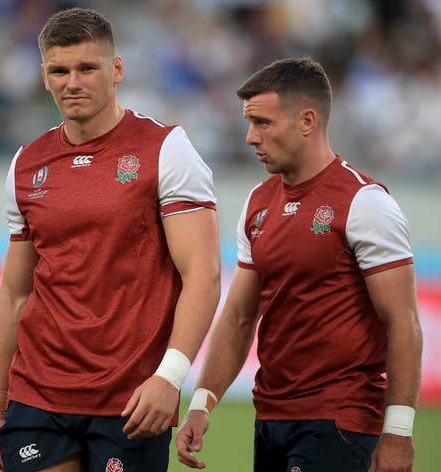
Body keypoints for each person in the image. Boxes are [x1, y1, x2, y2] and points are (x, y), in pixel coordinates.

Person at [0, 7, 221, 472]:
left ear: (116, 70)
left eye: (87, 68)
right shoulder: (28, 163)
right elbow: (14, 294)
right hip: (37, 394)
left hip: (129, 399)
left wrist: (170, 378)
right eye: (60, 70)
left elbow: (203, 276)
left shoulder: (165, 150)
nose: (73, 82)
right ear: (44, 77)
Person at [176, 57, 423, 472]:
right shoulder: (259, 202)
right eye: (249, 123)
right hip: (271, 416)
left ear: (307, 121)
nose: (250, 137)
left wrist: (398, 431)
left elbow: (403, 321)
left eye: (263, 123)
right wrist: (202, 403)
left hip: (339, 418)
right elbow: (238, 317)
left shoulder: (365, 203)